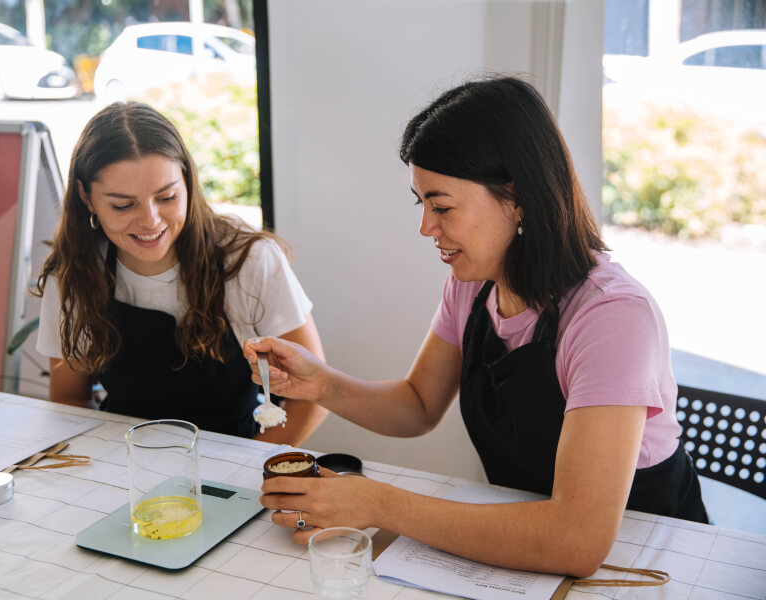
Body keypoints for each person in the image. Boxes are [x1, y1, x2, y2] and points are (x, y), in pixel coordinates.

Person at [245, 75, 707, 576]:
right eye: (420, 203)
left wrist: (378, 504)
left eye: (441, 206)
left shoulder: (611, 316)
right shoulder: (474, 283)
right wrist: (321, 383)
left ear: (518, 196)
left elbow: (578, 541)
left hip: (648, 562)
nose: (426, 227)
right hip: (524, 552)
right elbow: (419, 405)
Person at [35, 101, 326, 445]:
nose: (150, 221)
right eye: (123, 205)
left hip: (238, 457)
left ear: (188, 181)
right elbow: (70, 401)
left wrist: (243, 478)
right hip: (126, 462)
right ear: (86, 197)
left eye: (167, 196)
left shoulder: (249, 261)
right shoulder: (75, 273)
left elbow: (314, 397)